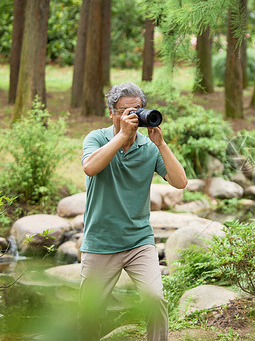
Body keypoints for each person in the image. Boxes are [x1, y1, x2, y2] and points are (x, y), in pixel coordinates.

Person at [79, 82, 188, 341]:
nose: (132, 116)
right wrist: (121, 136)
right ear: (112, 112)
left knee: (156, 300)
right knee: (89, 314)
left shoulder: (148, 147)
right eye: (125, 110)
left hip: (139, 242)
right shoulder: (96, 138)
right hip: (100, 243)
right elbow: (90, 168)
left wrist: (161, 144)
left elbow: (180, 182)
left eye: (137, 110)